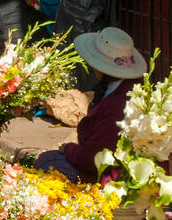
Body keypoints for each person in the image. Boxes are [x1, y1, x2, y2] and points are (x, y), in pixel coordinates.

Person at [34, 27, 147, 182]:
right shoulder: (127, 87)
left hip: (111, 176)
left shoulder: (117, 104)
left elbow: (93, 158)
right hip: (109, 165)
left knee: (49, 164)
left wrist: (68, 149)